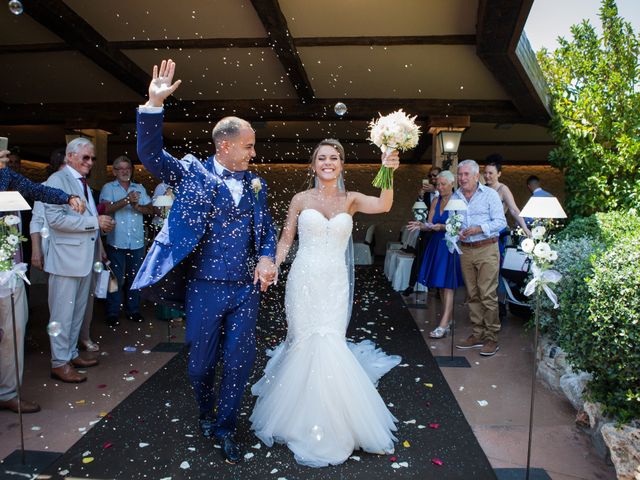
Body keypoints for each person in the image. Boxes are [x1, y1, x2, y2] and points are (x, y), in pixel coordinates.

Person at [131, 59, 278, 465]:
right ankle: (204, 412)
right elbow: (150, 153)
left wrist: (266, 257)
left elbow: (266, 228)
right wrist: (153, 106)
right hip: (204, 287)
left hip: (246, 290)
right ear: (225, 146)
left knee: (239, 361)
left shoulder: (255, 185)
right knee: (199, 366)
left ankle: (227, 427)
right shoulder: (192, 173)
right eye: (248, 145)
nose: (254, 152)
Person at [250, 139, 401, 467]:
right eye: (322, 158)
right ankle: (298, 415)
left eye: (334, 158)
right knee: (305, 341)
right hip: (303, 281)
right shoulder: (300, 199)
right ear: (314, 164)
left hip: (334, 283)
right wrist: (273, 264)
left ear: (342, 164)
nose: (328, 162)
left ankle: (337, 421)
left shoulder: (352, 199)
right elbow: (287, 237)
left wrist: (387, 172)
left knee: (330, 341)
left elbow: (385, 205)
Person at [0, 148, 85, 413]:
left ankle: (8, 392)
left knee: (13, 329)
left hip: (9, 268)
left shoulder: (7, 176)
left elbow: (37, 190)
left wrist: (67, 197)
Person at [44, 138, 115, 383]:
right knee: (62, 313)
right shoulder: (57, 181)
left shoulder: (82, 184)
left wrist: (100, 233)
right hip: (65, 259)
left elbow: (89, 217)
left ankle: (72, 353)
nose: (90, 162)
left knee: (77, 312)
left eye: (93, 158)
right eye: (85, 157)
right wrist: (94, 223)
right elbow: (55, 220)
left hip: (86, 258)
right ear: (70, 156)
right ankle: (59, 362)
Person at [452, 159, 507, 357]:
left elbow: (501, 222)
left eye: (466, 174)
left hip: (487, 248)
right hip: (465, 250)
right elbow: (452, 222)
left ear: (477, 176)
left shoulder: (490, 195)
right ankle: (477, 333)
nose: (462, 178)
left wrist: (478, 229)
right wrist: (455, 232)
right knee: (472, 294)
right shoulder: (456, 196)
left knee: (487, 294)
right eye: (460, 174)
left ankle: (492, 337)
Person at [408, 170, 464, 338]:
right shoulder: (435, 201)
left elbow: (460, 226)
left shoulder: (458, 200)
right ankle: (450, 318)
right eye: (437, 184)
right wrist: (421, 225)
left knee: (448, 284)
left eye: (443, 184)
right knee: (440, 283)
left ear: (452, 184)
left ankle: (444, 324)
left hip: (450, 245)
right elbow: (430, 224)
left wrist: (442, 227)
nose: (439, 187)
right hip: (435, 244)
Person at [99, 155, 153, 325]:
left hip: (137, 241)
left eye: (127, 168)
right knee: (115, 279)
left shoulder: (140, 187)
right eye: (120, 168)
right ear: (114, 171)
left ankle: (133, 310)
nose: (124, 171)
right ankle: (113, 312)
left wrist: (138, 206)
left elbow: (151, 209)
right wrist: (127, 200)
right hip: (116, 241)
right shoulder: (109, 188)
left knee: (134, 277)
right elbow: (105, 209)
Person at [402, 166, 441, 296]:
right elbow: (418, 211)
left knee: (437, 260)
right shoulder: (427, 193)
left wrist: (435, 189)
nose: (433, 178)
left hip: (440, 230)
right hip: (426, 230)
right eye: (430, 176)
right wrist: (420, 197)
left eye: (435, 175)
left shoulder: (445, 190)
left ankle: (437, 289)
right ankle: (411, 285)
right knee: (419, 257)